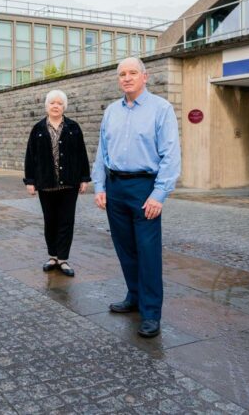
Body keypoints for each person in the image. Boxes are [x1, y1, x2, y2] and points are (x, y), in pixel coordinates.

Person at [91, 57, 181, 339]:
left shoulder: (161, 109)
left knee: (148, 251)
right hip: (116, 187)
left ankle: (151, 312)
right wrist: (100, 186)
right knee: (125, 248)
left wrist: (159, 194)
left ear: (145, 76)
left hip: (145, 188)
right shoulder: (111, 111)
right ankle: (134, 296)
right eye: (122, 74)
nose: (126, 78)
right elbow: (101, 152)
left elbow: (171, 155)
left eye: (132, 73)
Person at [23, 89, 90, 278]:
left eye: (59, 103)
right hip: (46, 183)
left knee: (66, 221)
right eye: (52, 103)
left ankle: (63, 259)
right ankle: (52, 256)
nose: (55, 106)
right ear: (47, 106)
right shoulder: (38, 129)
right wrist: (30, 181)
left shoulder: (73, 127)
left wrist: (84, 178)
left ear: (64, 107)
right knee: (50, 220)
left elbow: (82, 154)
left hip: (70, 183)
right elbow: (30, 156)